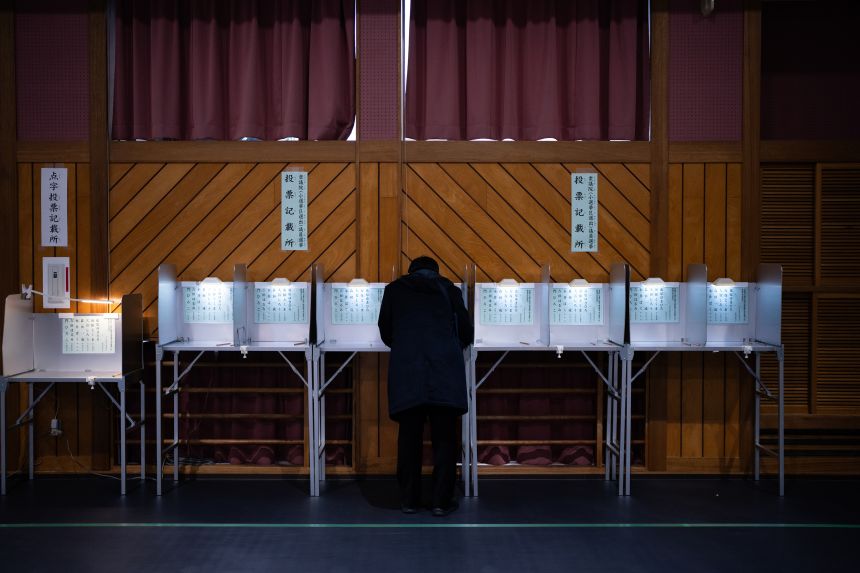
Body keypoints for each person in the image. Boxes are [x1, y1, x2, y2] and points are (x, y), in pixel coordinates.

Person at [377, 255, 473, 516]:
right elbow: (466, 331)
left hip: (408, 372)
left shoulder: (394, 290)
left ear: (410, 272)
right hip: (444, 372)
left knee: (409, 437)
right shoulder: (449, 289)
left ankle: (409, 500)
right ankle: (441, 501)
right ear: (435, 272)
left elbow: (385, 331)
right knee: (444, 438)